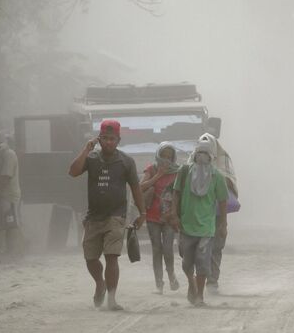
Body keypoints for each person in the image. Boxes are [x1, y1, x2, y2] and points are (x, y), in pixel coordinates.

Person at [68, 120, 146, 310]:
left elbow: (136, 188)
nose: (109, 142)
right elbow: (73, 171)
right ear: (99, 139)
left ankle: (111, 299)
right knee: (90, 258)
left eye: (112, 139)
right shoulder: (92, 158)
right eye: (105, 138)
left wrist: (142, 212)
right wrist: (86, 149)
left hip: (116, 216)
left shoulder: (127, 162)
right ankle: (99, 284)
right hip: (94, 217)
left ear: (118, 140)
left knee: (112, 257)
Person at [171, 140, 228, 306]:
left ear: (211, 157)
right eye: (199, 153)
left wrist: (223, 225)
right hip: (186, 226)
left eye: (206, 154)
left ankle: (199, 296)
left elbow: (223, 201)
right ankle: (191, 282)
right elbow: (176, 193)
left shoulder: (217, 176)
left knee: (203, 263)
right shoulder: (184, 171)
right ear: (194, 155)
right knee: (186, 262)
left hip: (206, 228)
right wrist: (174, 214)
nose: (202, 157)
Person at [197, 133, 238, 293]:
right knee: (199, 249)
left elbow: (229, 182)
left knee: (216, 248)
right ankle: (200, 281)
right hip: (198, 214)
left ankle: (212, 281)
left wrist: (213, 176)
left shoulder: (223, 159)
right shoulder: (192, 164)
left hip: (217, 214)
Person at [139, 142, 181, 294]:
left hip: (169, 217)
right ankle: (159, 284)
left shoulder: (178, 172)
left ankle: (171, 276)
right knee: (156, 249)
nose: (166, 159)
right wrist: (158, 175)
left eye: (170, 157)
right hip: (152, 216)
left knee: (168, 249)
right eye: (163, 156)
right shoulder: (151, 169)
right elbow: (141, 187)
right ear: (158, 155)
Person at [0, 131, 22, 257]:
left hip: (9, 195)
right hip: (0, 195)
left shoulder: (9, 154)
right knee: (3, 224)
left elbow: (6, 176)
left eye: (0, 143)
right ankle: (6, 251)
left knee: (11, 223)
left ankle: (14, 252)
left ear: (5, 143)